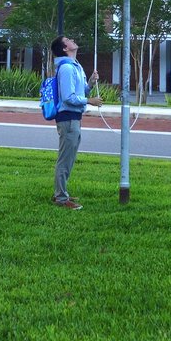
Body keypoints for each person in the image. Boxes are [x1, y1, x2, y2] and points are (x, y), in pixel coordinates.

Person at [51, 35, 102, 210]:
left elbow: (79, 91)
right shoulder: (66, 68)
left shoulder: (75, 66)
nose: (73, 40)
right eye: (69, 40)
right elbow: (69, 97)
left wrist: (90, 83)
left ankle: (61, 191)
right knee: (65, 159)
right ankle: (61, 198)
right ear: (65, 48)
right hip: (68, 118)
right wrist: (90, 101)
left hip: (74, 118)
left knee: (69, 158)